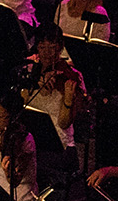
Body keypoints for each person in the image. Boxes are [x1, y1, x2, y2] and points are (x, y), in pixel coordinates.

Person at [20, 23, 84, 151]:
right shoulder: (29, 69)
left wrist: (68, 98)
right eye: (42, 47)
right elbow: (20, 107)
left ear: (60, 48)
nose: (47, 53)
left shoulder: (71, 76)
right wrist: (33, 82)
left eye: (52, 47)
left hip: (58, 143)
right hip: (28, 138)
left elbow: (65, 123)